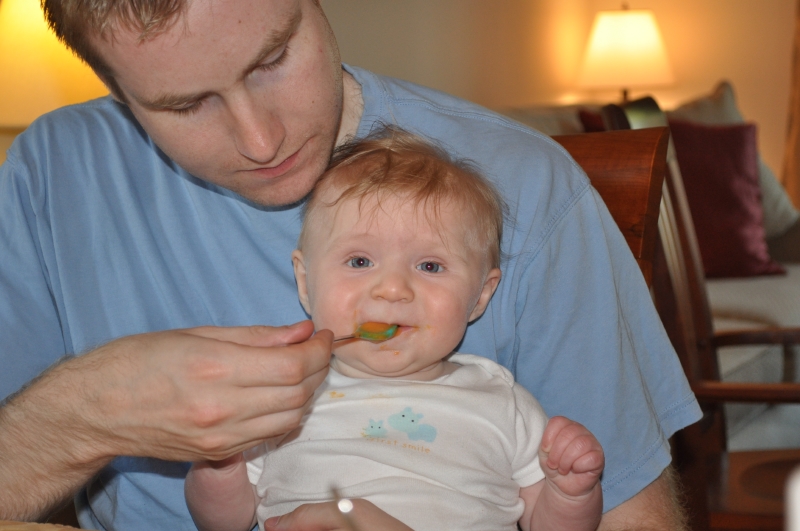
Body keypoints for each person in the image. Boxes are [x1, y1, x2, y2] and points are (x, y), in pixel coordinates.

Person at [0, 0, 700, 529]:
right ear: (117, 90)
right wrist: (90, 411)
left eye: (273, 58)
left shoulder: (529, 189)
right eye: (185, 104)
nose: (261, 140)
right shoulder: (50, 175)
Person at [184, 129, 606, 531]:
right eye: (360, 261)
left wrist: (569, 493)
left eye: (430, 266)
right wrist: (220, 462)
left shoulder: (501, 401)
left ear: (480, 295)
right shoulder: (282, 394)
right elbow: (224, 522)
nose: (392, 289)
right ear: (306, 282)